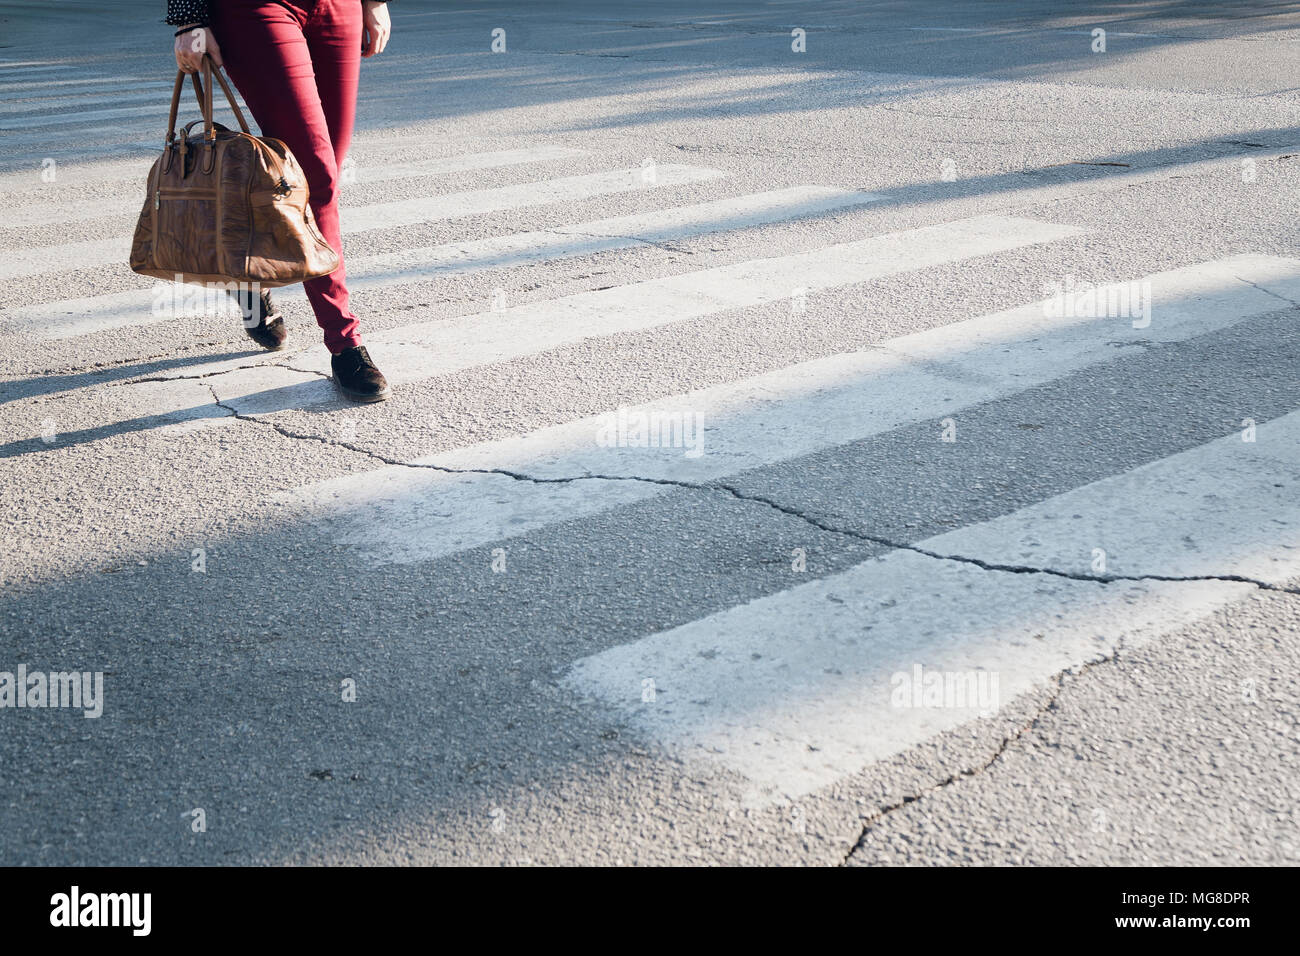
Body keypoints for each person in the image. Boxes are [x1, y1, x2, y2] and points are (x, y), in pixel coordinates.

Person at [167, 0, 394, 402]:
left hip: (340, 7)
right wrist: (189, 17)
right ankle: (344, 341)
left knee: (318, 177)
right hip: (258, 9)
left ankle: (248, 274)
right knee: (317, 179)